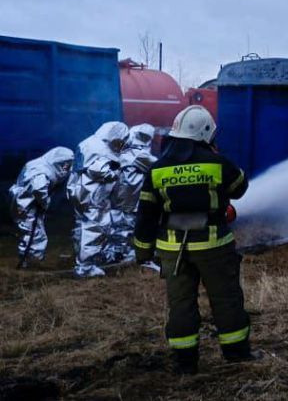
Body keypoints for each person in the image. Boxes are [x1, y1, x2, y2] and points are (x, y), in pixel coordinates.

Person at [134, 106, 251, 374]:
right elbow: (240, 188)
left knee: (181, 305)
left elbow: (146, 214)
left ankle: (185, 363)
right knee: (226, 299)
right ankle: (236, 354)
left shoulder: (157, 169)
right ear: (206, 133)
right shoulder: (217, 163)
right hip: (213, 248)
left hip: (173, 251)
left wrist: (143, 251)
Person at [67, 121, 129, 278]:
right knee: (96, 228)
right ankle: (86, 267)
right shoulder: (101, 149)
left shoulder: (88, 143)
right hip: (93, 196)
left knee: (82, 226)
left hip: (79, 192)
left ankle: (81, 258)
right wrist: (115, 174)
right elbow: (99, 171)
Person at [9, 147, 74, 267]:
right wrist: (45, 203)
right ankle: (31, 262)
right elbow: (39, 190)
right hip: (26, 205)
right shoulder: (43, 170)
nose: (67, 167)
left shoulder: (41, 165)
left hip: (27, 203)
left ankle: (31, 260)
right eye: (66, 164)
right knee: (33, 233)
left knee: (33, 232)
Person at [110, 123, 157, 264]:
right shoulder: (137, 153)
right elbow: (158, 166)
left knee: (120, 225)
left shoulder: (124, 151)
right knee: (127, 225)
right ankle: (124, 256)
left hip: (121, 194)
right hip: (130, 196)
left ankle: (119, 253)